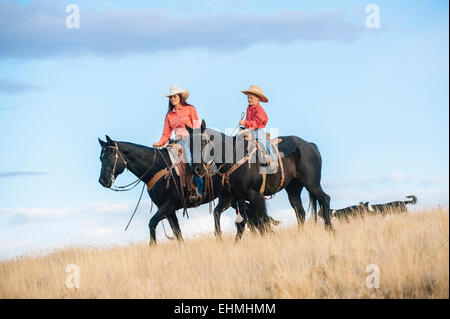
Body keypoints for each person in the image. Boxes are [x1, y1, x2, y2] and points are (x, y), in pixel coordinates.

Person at [152, 86, 204, 201]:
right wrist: (159, 144)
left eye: (174, 97)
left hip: (190, 139)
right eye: (170, 97)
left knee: (190, 160)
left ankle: (199, 189)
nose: (172, 99)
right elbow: (166, 134)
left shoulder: (190, 109)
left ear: (180, 97)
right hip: (176, 141)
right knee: (166, 162)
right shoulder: (169, 115)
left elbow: (196, 126)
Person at [239, 85, 277, 168]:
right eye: (248, 97)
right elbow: (248, 120)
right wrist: (245, 125)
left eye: (251, 98)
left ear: (258, 99)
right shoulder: (248, 108)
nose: (249, 99)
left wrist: (245, 123)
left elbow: (256, 123)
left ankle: (272, 159)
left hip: (257, 129)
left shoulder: (259, 110)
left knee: (263, 142)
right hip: (249, 129)